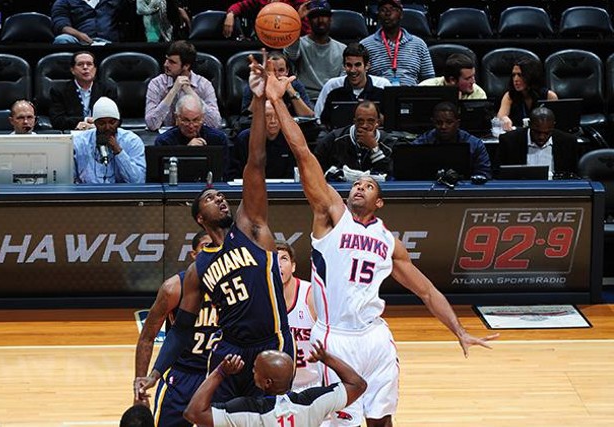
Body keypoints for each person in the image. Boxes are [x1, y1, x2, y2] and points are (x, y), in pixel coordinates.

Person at [265, 70, 499, 427]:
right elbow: (302, 154)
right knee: (339, 423)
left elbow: (426, 290)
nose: (359, 187)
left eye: (368, 185)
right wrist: (279, 101)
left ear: (380, 202)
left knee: (381, 420)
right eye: (356, 184)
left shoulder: (388, 241)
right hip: (333, 337)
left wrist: (459, 330)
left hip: (374, 336)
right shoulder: (332, 216)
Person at [135, 53, 294, 404]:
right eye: (211, 198)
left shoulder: (251, 228)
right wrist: (155, 374)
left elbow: (256, 160)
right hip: (228, 353)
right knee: (209, 416)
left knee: (267, 419)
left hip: (272, 343)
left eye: (222, 195)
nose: (220, 198)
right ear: (199, 218)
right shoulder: (197, 270)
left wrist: (257, 99)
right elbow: (179, 333)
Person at [134, 230, 218, 426]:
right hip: (182, 375)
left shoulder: (235, 286)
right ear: (194, 255)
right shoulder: (174, 288)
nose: (212, 253)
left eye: (216, 248)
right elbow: (147, 337)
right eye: (206, 248)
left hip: (219, 374)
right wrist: (139, 388)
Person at [184, 342, 366, 427]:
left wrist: (220, 372)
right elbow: (358, 385)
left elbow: (193, 413)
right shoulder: (313, 401)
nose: (252, 371)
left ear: (266, 382)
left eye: (255, 369)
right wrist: (327, 358)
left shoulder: (249, 411)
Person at [145, 41, 222, 131]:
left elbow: (215, 124)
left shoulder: (204, 85)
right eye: (166, 59)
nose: (166, 64)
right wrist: (173, 91)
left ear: (186, 65)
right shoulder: (156, 84)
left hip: (195, 134)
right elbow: (151, 124)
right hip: (168, 138)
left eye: (172, 62)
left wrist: (190, 92)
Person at [275, 240, 321, 392]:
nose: (279, 264)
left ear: (293, 266)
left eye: (284, 258)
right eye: (274, 258)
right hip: (280, 388)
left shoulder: (310, 295)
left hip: (314, 384)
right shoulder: (261, 299)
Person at [315, 43, 390, 131]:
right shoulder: (332, 86)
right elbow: (321, 121)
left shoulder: (383, 86)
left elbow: (390, 123)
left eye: (357, 65)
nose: (353, 70)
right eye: (349, 65)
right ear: (344, 66)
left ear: (367, 66)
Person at [315, 100, 395, 181]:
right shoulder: (335, 139)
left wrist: (374, 148)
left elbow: (388, 176)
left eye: (370, 121)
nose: (365, 125)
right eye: (360, 121)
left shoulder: (387, 142)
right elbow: (316, 168)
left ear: (377, 122)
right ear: (354, 122)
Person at [73, 96, 146, 184]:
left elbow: (138, 181)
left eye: (112, 122)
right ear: (95, 123)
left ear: (118, 122)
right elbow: (69, 180)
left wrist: (118, 151)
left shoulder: (132, 141)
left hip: (122, 195)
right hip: (88, 194)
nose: (107, 127)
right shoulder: (80, 142)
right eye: (102, 123)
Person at [360, 0, 434, 86]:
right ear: (378, 15)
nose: (387, 13)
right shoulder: (365, 45)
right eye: (383, 10)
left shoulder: (419, 44)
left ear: (401, 14)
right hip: (378, 96)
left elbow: (429, 79)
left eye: (392, 9)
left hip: (411, 95)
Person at [284, 1, 346, 99]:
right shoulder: (299, 44)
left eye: (324, 16)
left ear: (331, 20)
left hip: (331, 99)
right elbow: (291, 55)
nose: (320, 20)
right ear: (308, 20)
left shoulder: (342, 49)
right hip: (305, 98)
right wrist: (297, 20)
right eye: (315, 16)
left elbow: (342, 82)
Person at [495, 106, 579, 179]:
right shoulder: (509, 141)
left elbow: (573, 175)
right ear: (529, 124)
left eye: (547, 133)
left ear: (553, 126)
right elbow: (497, 174)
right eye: (537, 132)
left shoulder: (568, 142)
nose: (541, 137)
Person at [413, 102, 492, 178]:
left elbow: (484, 174)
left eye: (449, 122)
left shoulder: (475, 145)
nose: (443, 127)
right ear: (433, 123)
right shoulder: (421, 143)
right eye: (439, 122)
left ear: (457, 123)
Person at [49, 51, 117, 131]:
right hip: (73, 132)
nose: (85, 67)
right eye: (80, 64)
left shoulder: (107, 90)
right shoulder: (59, 91)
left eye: (89, 64)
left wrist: (97, 124)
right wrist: (83, 121)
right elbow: (57, 120)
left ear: (95, 69)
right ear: (72, 70)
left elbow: (116, 118)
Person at [228, 100, 296, 180]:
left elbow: (293, 175)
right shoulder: (244, 139)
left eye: (277, 116)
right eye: (268, 116)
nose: (273, 121)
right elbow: (233, 175)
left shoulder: (290, 139)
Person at [241, 51, 314, 119]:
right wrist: (258, 96)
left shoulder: (295, 85)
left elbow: (309, 116)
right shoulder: (256, 84)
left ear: (287, 71)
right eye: (272, 70)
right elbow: (248, 116)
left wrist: (292, 92)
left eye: (281, 70)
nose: (276, 74)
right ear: (265, 70)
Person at [497, 57, 558, 131]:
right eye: (513, 75)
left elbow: (555, 124)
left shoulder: (549, 96)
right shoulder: (509, 95)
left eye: (520, 75)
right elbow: (501, 116)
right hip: (518, 136)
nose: (515, 79)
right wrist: (504, 119)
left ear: (531, 76)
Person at [224, 0, 310, 38]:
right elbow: (240, 6)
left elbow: (306, 33)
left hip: (288, 43)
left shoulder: (299, 2)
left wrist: (298, 18)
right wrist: (230, 14)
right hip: (265, 41)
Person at [51, 0, 125, 44]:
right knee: (62, 39)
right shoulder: (63, 1)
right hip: (79, 42)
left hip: (110, 42)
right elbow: (60, 24)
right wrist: (79, 35)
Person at [419, 53, 487, 100]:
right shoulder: (424, 89)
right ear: (452, 80)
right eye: (468, 78)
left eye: (473, 76)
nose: (473, 81)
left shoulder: (479, 93)